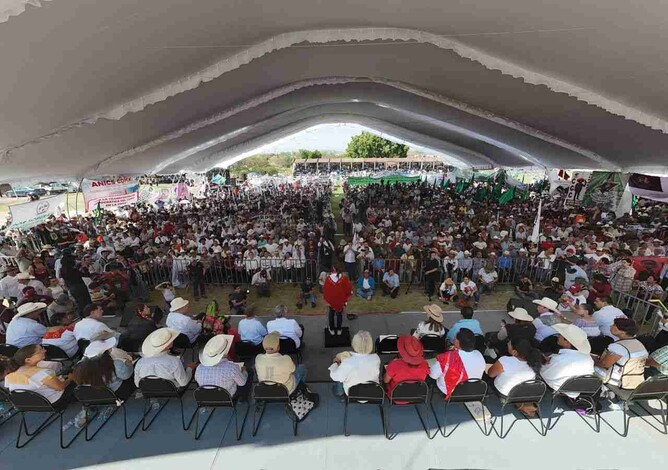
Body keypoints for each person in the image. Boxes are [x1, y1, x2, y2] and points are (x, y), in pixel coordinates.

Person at [4, 344, 75, 408]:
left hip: (27, 405)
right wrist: (70, 379)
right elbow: (60, 387)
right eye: (40, 350)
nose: (45, 350)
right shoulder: (42, 373)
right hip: (51, 402)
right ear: (28, 360)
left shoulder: (9, 377)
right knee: (76, 379)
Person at [540, 324, 595, 401]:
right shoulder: (588, 358)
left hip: (562, 387)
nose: (558, 336)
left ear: (567, 342)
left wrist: (542, 362)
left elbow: (545, 374)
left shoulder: (559, 359)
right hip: (579, 388)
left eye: (560, 335)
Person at [594, 318, 648, 390]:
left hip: (617, 381)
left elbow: (605, 364)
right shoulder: (639, 344)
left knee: (587, 366)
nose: (611, 326)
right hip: (635, 381)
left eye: (614, 325)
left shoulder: (618, 347)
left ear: (623, 332)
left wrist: (593, 360)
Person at [430, 328, 485, 398]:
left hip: (452, 393)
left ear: (457, 342)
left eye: (455, 338)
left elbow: (433, 375)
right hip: (473, 392)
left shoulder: (448, 357)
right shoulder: (478, 354)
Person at [195, 334, 252, 399]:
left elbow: (197, 380)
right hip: (226, 398)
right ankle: (243, 398)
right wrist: (244, 371)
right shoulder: (231, 368)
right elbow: (242, 383)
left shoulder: (199, 368)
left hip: (206, 397)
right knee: (249, 372)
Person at [329, 330, 380, 398]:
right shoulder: (376, 358)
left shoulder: (347, 362)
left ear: (354, 344)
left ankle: (339, 394)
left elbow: (334, 376)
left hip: (353, 393)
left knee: (340, 377)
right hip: (372, 391)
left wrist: (336, 363)